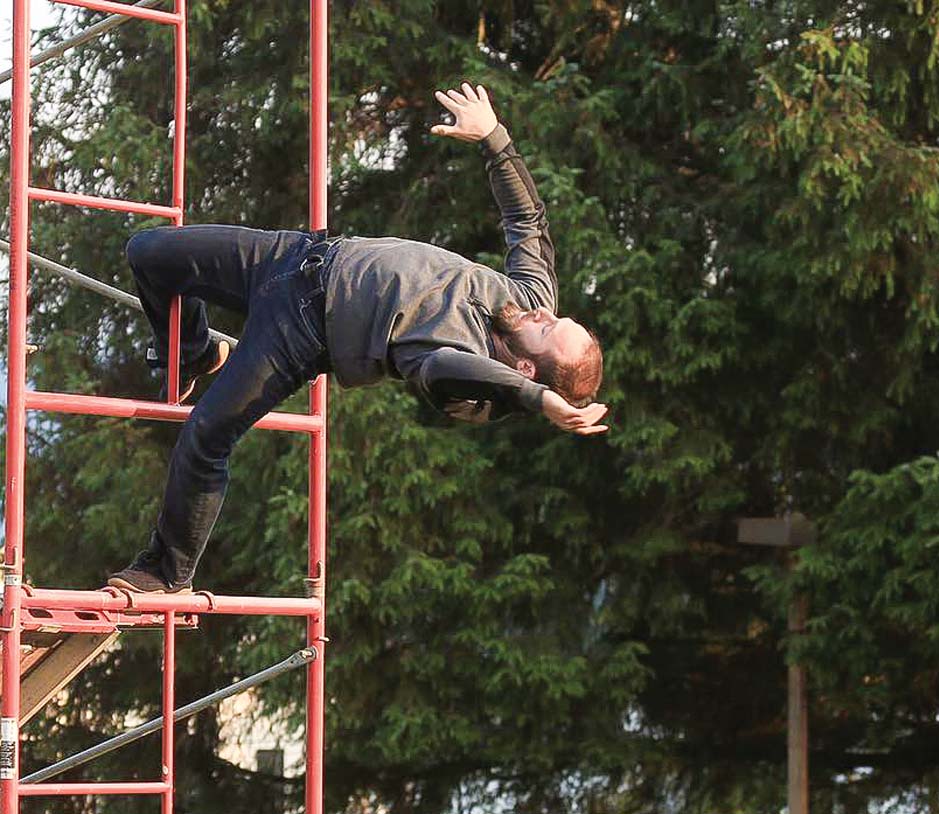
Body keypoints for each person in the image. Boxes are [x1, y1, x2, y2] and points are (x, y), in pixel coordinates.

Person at [106, 82, 608, 594]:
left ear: (525, 368)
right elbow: (527, 220)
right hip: (297, 257)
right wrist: (494, 138)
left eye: (547, 329)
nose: (544, 312)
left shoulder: (467, 382)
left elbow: (439, 372)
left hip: (299, 333)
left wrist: (537, 399)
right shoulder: (529, 297)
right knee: (149, 254)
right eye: (554, 315)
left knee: (207, 435)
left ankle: (164, 574)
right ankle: (194, 352)